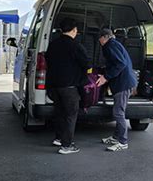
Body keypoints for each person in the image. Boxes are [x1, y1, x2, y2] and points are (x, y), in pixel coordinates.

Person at [45, 18, 90, 155]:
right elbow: (86, 64)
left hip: (54, 85)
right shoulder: (76, 46)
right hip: (69, 87)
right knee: (71, 114)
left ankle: (59, 138)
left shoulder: (52, 44)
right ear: (74, 30)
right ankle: (67, 145)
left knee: (59, 113)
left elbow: (47, 60)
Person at [96, 28, 137, 152]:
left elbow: (120, 64)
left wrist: (106, 77)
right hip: (123, 83)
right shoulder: (114, 44)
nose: (99, 42)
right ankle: (116, 137)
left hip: (123, 84)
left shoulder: (110, 46)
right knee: (119, 111)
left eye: (99, 39)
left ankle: (123, 142)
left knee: (118, 113)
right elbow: (116, 63)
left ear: (104, 38)